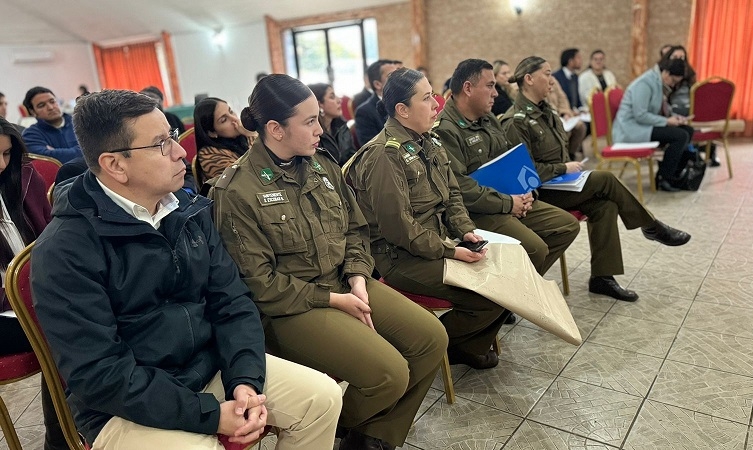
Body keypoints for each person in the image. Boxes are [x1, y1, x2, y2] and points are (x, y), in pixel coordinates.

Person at [31, 89, 342, 450]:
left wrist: (245, 380)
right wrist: (209, 413)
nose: (181, 152)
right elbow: (102, 375)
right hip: (121, 406)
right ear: (115, 164)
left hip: (206, 367)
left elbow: (232, 301)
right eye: (161, 144)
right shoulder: (65, 249)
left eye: (173, 137)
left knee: (322, 399)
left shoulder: (188, 210)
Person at [210, 74, 447, 450]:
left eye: (318, 117)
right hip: (290, 308)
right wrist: (335, 300)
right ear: (275, 129)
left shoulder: (321, 164)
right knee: (389, 374)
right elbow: (260, 284)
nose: (320, 129)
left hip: (344, 281)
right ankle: (331, 424)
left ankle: (370, 434)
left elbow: (356, 228)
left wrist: (356, 275)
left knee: (431, 339)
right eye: (308, 122)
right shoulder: (237, 190)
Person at [347, 68, 508, 370]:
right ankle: (447, 348)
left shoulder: (429, 141)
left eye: (433, 95)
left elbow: (453, 195)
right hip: (400, 258)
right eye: (426, 98)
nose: (437, 104)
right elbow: (399, 229)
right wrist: (451, 252)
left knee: (505, 280)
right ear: (402, 110)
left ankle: (467, 344)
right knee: (489, 296)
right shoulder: (384, 155)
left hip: (435, 244)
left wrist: (466, 230)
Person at [502, 56, 691, 302]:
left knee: (605, 204)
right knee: (605, 179)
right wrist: (563, 168)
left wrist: (566, 170)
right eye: (547, 74)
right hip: (541, 193)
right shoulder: (515, 121)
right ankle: (652, 226)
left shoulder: (545, 111)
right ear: (528, 79)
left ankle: (603, 278)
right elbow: (524, 173)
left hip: (562, 186)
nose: (552, 81)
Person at [434, 59, 579, 276]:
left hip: (508, 199)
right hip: (477, 211)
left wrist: (527, 190)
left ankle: (516, 288)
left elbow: (512, 160)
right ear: (468, 88)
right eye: (490, 86)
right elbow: (461, 189)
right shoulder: (446, 129)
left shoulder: (489, 118)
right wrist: (508, 203)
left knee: (567, 225)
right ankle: (506, 303)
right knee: (535, 249)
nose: (496, 94)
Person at [0, 118, 69, 450]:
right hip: (5, 311)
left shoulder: (23, 177)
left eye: (6, 154)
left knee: (69, 314)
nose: (2, 165)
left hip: (35, 295)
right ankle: (62, 438)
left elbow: (49, 239)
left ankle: (64, 436)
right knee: (61, 325)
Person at [612, 58, 694, 191]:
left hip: (643, 127)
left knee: (687, 130)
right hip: (630, 130)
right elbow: (640, 115)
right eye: (673, 81)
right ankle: (664, 178)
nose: (673, 85)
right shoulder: (645, 83)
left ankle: (675, 174)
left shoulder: (657, 82)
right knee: (680, 136)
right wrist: (667, 121)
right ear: (666, 73)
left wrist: (674, 118)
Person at [193, 97, 257, 184]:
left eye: (231, 111)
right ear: (212, 132)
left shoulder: (241, 138)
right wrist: (252, 135)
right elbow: (246, 178)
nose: (234, 119)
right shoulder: (209, 154)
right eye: (224, 120)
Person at [21, 86, 82, 163]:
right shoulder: (30, 135)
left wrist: (54, 152)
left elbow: (97, 149)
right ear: (33, 111)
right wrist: (81, 150)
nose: (50, 107)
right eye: (41, 105)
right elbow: (47, 162)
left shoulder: (81, 122)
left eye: (52, 101)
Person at [355, 59, 401, 146]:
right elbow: (371, 148)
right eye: (392, 76)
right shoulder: (364, 112)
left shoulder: (404, 103)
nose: (398, 80)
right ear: (377, 84)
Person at [308, 83, 357, 165]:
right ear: (319, 105)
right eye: (332, 97)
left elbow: (353, 157)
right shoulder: (314, 133)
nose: (339, 100)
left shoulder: (342, 126)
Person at [546, 79, 588, 161]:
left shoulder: (553, 80)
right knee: (563, 131)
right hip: (550, 117)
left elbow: (562, 98)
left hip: (561, 115)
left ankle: (571, 154)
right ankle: (562, 157)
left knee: (580, 126)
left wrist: (565, 112)